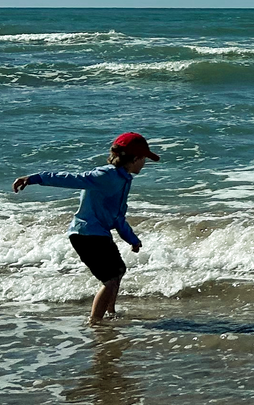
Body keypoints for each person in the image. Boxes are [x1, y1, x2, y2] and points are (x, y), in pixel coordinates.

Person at [13, 132, 160, 324]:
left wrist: (131, 238)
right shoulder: (106, 175)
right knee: (110, 280)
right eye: (144, 159)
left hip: (98, 233)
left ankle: (110, 313)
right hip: (86, 233)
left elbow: (117, 216)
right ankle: (95, 322)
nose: (144, 164)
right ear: (134, 158)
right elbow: (70, 179)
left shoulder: (123, 180)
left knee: (118, 271)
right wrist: (33, 179)